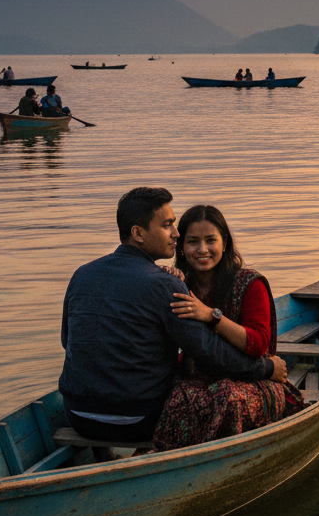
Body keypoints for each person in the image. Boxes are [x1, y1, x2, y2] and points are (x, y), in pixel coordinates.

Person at [58, 188, 285, 444]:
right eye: (167, 225)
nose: (176, 233)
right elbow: (210, 353)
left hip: (77, 416)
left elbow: (68, 342)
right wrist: (266, 367)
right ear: (138, 233)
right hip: (138, 420)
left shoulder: (82, 274)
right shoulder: (164, 284)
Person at [150, 204, 302, 451]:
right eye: (192, 242)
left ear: (224, 243)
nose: (202, 250)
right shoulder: (178, 284)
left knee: (226, 398)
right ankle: (160, 458)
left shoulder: (249, 284)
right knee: (176, 397)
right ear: (181, 246)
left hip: (254, 378)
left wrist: (211, 316)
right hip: (198, 379)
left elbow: (258, 344)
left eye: (211, 240)